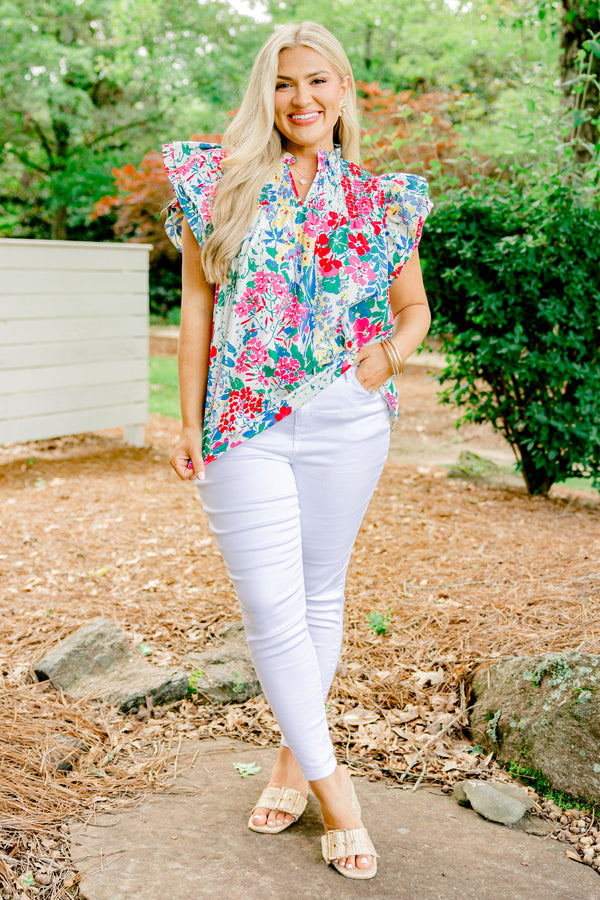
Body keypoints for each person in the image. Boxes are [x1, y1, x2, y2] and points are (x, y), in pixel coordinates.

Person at [162, 20, 432, 881]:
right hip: (242, 421)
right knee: (271, 608)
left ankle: (290, 759)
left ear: (344, 90)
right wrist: (188, 421)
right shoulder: (219, 182)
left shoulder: (384, 200)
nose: (301, 99)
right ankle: (336, 789)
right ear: (264, 94)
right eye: (284, 83)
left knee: (320, 593)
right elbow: (199, 312)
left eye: (318, 81)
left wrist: (380, 362)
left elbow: (415, 310)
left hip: (349, 419)